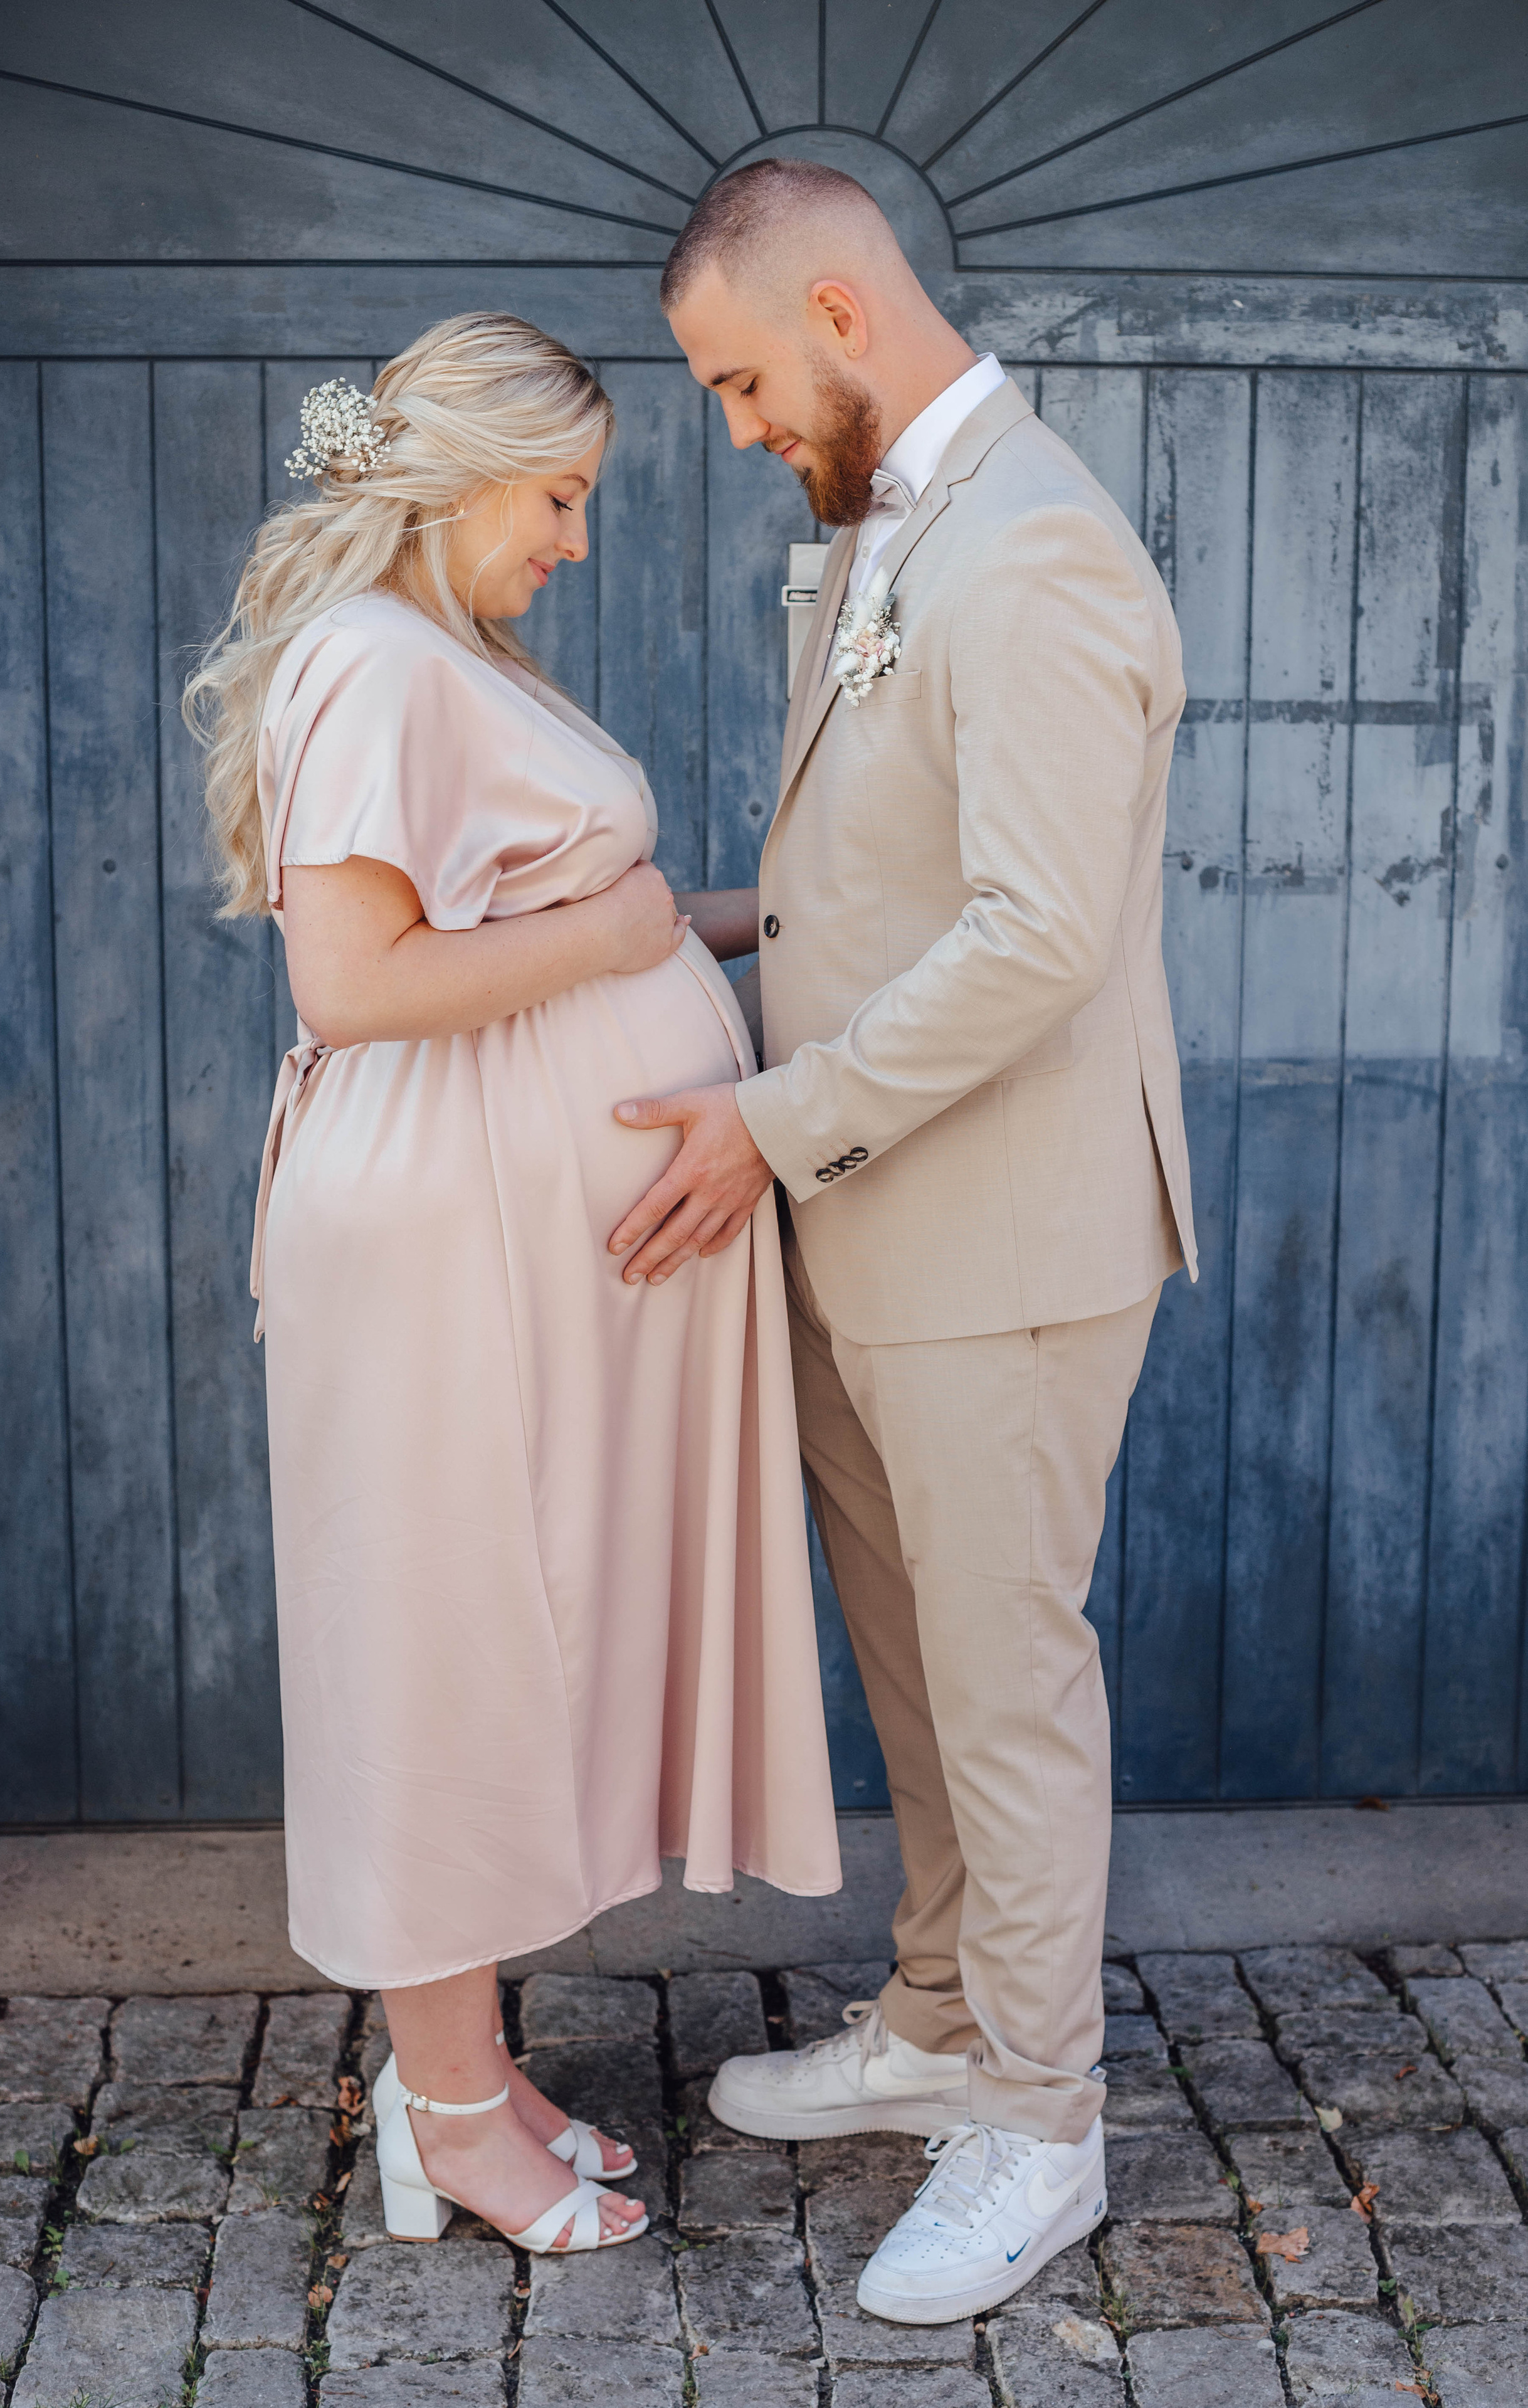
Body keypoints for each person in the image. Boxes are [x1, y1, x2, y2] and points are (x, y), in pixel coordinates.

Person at [182, 313, 840, 2258]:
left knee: (487, 1636)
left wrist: (756, 920)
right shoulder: (377, 659)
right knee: (442, 1652)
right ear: (464, 476)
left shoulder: (434, 656)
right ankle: (452, 2118)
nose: (572, 538)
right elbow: (356, 984)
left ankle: (461, 2069)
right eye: (557, 500)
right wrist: (640, 933)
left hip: (491, 1236)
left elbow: (559, 917)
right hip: (436, 1242)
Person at [609, 161, 1196, 2323]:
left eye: (747, 379)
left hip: (1003, 1235)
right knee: (924, 1681)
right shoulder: (909, 529)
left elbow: (1041, 931)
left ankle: (1036, 2121)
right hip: (884, 1218)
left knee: (1009, 1688)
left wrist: (767, 1120)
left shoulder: (1034, 549)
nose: (743, 425)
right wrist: (682, 927)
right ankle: (944, 2013)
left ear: (843, 309)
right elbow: (906, 876)